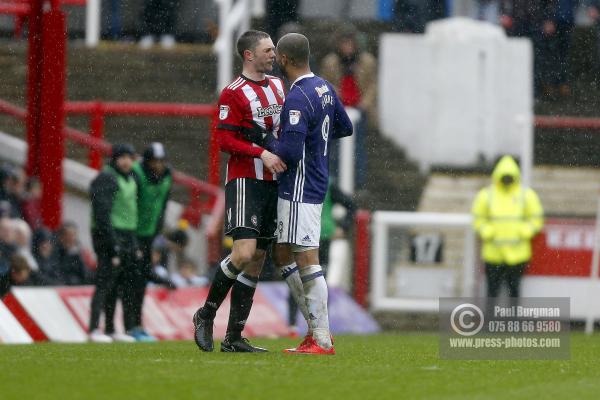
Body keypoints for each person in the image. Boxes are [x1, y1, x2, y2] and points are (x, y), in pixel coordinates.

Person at [244, 33, 353, 354]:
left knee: (306, 256)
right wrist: (317, 145)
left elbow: (289, 152)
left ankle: (321, 337)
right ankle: (316, 330)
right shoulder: (324, 88)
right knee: (282, 254)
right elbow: (345, 127)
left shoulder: (297, 97)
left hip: (299, 187)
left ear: (285, 59)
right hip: (314, 179)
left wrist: (262, 140)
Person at [192, 29, 287, 353]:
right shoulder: (233, 93)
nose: (273, 54)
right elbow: (224, 141)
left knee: (258, 258)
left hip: (274, 182)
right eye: (267, 50)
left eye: (273, 49)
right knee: (243, 253)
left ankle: (234, 337)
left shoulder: (277, 86)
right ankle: (205, 314)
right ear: (249, 55)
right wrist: (261, 152)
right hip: (246, 179)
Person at [471, 155, 544, 314]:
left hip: (517, 254)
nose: (506, 180)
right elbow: (478, 219)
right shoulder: (487, 195)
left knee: (514, 291)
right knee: (492, 291)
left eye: (509, 177)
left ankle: (513, 323)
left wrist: (523, 232)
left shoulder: (526, 195)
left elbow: (536, 219)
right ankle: (490, 323)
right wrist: (488, 232)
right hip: (493, 253)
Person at [286, 181, 355, 335]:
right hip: (303, 234)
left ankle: (319, 326)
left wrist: (343, 226)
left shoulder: (328, 183)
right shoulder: (300, 178)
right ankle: (292, 325)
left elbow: (351, 204)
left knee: (316, 279)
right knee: (299, 276)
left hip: (321, 237)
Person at [88, 144, 140, 343]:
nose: (126, 161)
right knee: (104, 281)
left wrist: (132, 241)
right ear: (115, 159)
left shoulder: (130, 177)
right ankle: (93, 328)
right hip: (109, 235)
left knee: (118, 284)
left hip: (126, 234)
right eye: (122, 157)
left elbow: (130, 212)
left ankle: (110, 328)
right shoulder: (106, 178)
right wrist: (113, 243)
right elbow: (102, 214)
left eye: (129, 157)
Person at [320, 27, 375, 189]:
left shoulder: (367, 61)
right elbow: (325, 83)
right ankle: (334, 182)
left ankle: (359, 182)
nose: (347, 47)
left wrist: (363, 105)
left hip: (359, 110)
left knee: (358, 148)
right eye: (343, 44)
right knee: (335, 148)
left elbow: (372, 85)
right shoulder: (331, 62)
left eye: (349, 44)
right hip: (338, 110)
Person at [129, 142, 173, 341]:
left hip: (148, 234)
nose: (158, 165)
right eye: (154, 161)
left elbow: (163, 205)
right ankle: (126, 326)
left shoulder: (167, 176)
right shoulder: (136, 174)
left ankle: (136, 325)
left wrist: (157, 231)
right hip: (131, 233)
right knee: (130, 280)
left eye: (161, 161)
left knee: (141, 280)